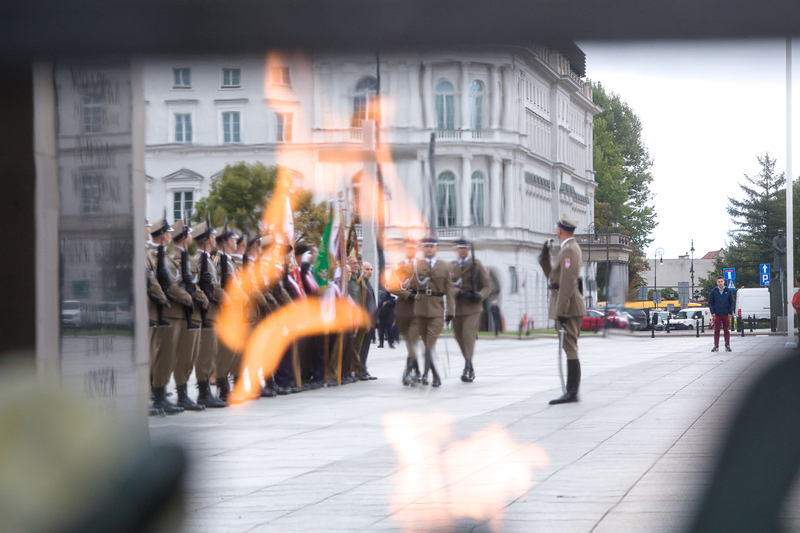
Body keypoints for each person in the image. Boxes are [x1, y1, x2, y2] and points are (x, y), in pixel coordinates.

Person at [538, 214, 586, 405]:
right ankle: (571, 391)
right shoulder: (566, 249)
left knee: (570, 347)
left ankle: (572, 391)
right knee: (569, 347)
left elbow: (566, 284)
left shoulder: (570, 251)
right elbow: (554, 277)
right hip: (567, 303)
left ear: (559, 230)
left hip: (570, 305)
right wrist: (544, 258)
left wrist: (562, 311)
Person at [150, 218, 191, 415]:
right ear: (164, 235)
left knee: (168, 357)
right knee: (163, 357)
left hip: (175, 312)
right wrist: (188, 297)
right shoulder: (158, 258)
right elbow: (170, 286)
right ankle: (158, 398)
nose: (169, 236)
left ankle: (161, 395)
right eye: (167, 233)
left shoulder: (165, 258)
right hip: (167, 312)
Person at [170, 219, 207, 411]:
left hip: (191, 313)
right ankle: (181, 395)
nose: (191, 237)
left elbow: (194, 284)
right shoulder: (174, 258)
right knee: (183, 356)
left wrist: (202, 298)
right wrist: (192, 299)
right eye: (189, 234)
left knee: (189, 356)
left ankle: (183, 395)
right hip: (182, 312)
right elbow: (174, 284)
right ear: (184, 237)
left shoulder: (188, 259)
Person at [410, 236, 456, 387]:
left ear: (436, 249)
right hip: (420, 309)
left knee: (429, 345)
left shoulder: (444, 266)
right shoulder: (417, 265)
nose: (428, 249)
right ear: (423, 248)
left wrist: (451, 311)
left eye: (431, 246)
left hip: (437, 310)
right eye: (426, 246)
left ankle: (425, 374)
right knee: (427, 345)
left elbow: (449, 290)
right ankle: (436, 376)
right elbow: (410, 285)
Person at [192, 221, 227, 408]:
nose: (214, 239)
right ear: (207, 239)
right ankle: (203, 392)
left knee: (210, 352)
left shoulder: (208, 259)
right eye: (212, 236)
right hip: (206, 312)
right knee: (205, 354)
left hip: (213, 312)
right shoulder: (199, 259)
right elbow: (210, 286)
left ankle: (206, 391)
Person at [449, 239, 493, 382]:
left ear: (468, 249)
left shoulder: (476, 264)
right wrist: (458, 292)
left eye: (465, 248)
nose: (462, 250)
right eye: (459, 248)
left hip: (472, 308)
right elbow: (447, 286)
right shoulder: (451, 266)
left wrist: (479, 296)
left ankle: (467, 366)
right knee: (459, 338)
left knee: (468, 336)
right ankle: (470, 365)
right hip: (457, 308)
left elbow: (487, 285)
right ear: (456, 250)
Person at [389, 239, 421, 385]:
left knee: (413, 340)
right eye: (408, 248)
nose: (410, 250)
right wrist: (409, 295)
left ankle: (408, 371)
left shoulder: (421, 266)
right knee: (409, 343)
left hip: (417, 310)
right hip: (402, 310)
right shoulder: (398, 267)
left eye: (413, 248)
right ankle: (418, 371)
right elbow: (391, 286)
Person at [358, 261, 378, 380]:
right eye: (367, 269)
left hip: (370, 322)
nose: (370, 272)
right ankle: (360, 369)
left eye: (371, 270)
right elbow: (362, 303)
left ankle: (364, 368)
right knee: (361, 347)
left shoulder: (368, 284)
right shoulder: (361, 284)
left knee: (366, 347)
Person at [709, 275, 734, 352]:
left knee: (726, 330)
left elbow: (731, 302)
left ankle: (727, 345)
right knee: (716, 330)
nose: (720, 283)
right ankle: (716, 345)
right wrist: (712, 312)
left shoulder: (728, 291)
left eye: (721, 281)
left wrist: (730, 312)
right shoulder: (713, 291)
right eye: (719, 282)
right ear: (717, 283)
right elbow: (710, 302)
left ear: (724, 282)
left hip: (726, 314)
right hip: (717, 314)